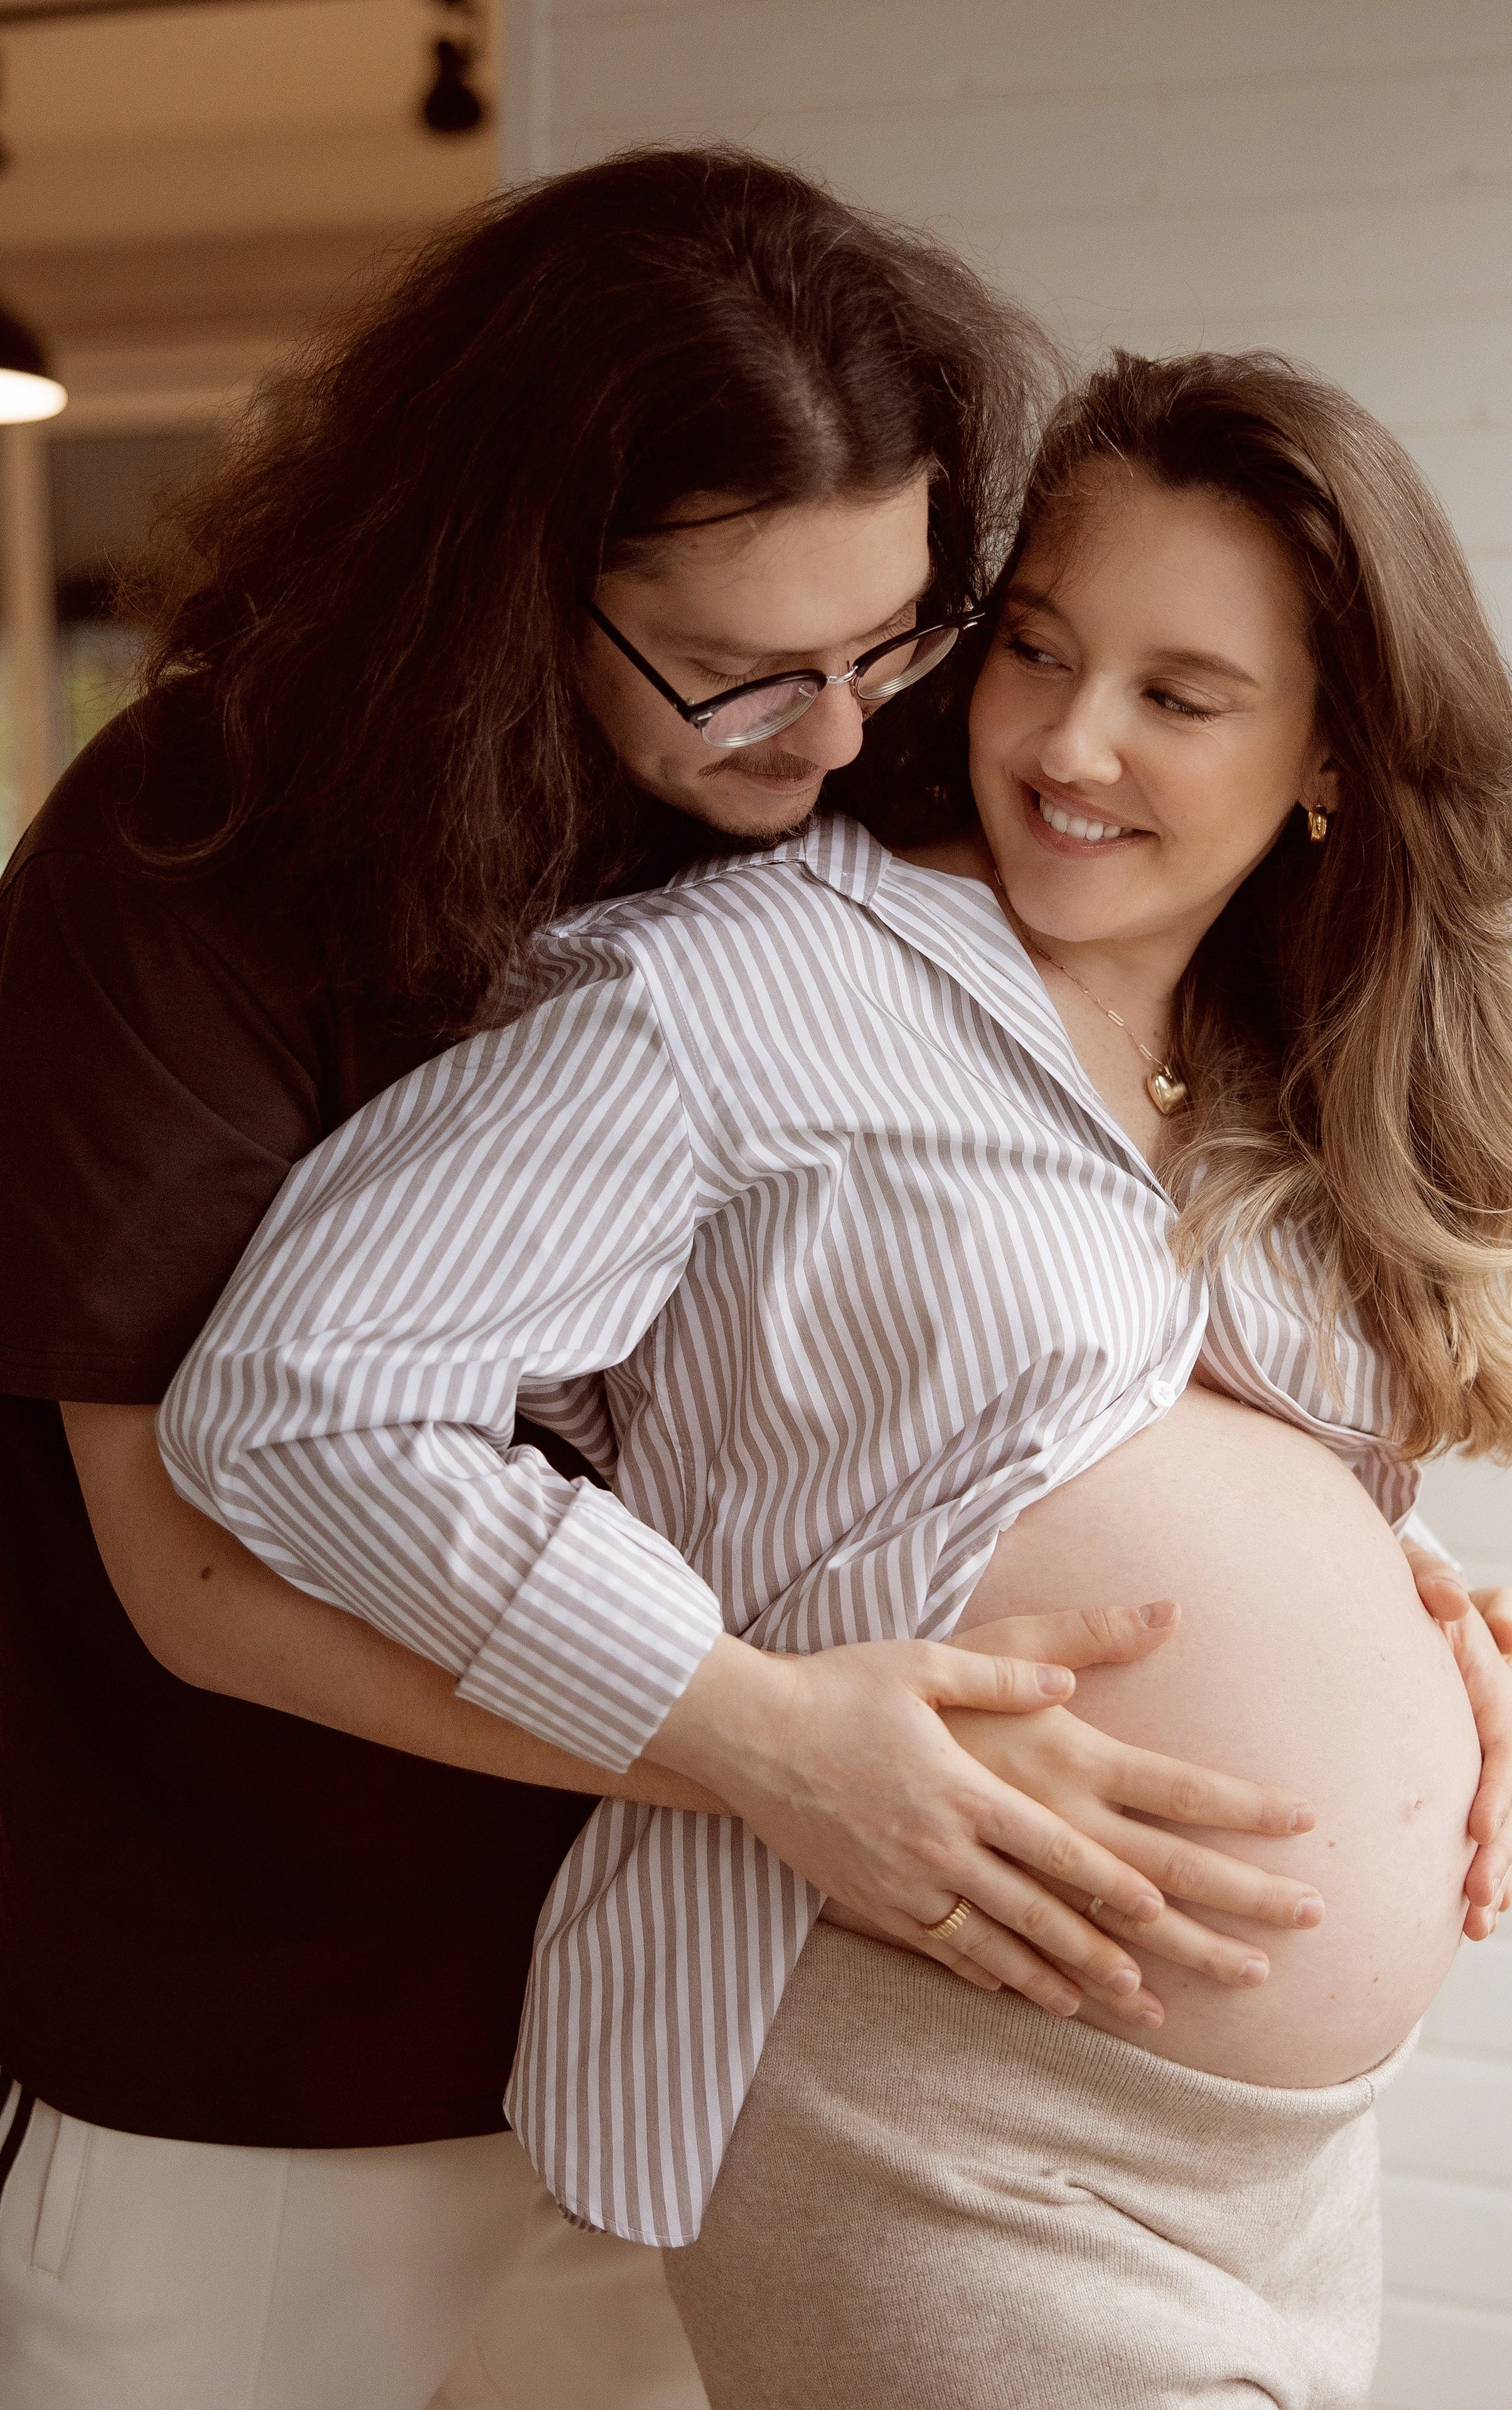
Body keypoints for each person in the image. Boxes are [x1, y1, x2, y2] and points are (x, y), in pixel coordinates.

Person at [0, 152, 1361, 2410]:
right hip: (278, 2034)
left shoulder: (860, 802)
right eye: (736, 674)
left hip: (713, 2039)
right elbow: (196, 1574)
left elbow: (1022, 1317)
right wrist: (760, 1747)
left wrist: (1382, 1590)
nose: (833, 737)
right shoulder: (194, 846)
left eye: (891, 641)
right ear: (502, 580)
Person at [157, 351, 1512, 2408]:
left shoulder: (1281, 1058)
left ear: (1337, 759)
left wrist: (1431, 1616)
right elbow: (301, 1401)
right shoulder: (738, 989)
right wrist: (750, 1725)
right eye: (1039, 649)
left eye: (1181, 698)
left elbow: (1081, 1432)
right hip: (942, 2097)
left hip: (1288, 2175)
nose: (1070, 742)